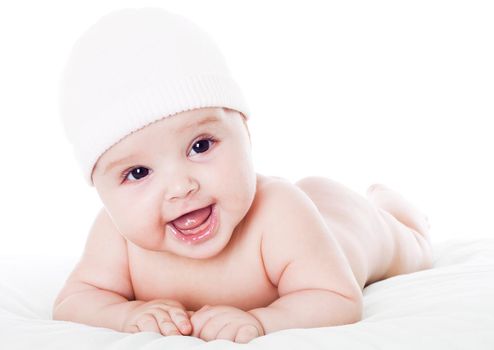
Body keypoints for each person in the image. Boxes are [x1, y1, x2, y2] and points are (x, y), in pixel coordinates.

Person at [53, 7, 433, 344]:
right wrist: (124, 315)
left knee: (408, 247)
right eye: (138, 172)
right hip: (307, 216)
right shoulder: (116, 237)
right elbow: (74, 301)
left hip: (340, 224)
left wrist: (261, 321)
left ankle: (396, 210)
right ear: (100, 191)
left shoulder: (279, 214)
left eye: (200, 146)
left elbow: (337, 298)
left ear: (245, 134)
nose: (181, 186)